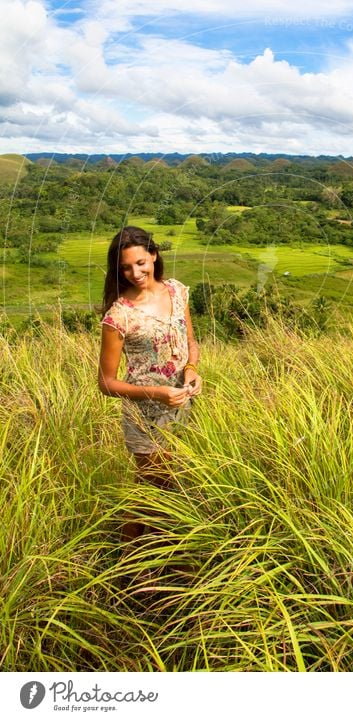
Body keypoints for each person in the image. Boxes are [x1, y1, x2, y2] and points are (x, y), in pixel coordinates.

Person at [98, 226, 202, 540]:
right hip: (145, 416)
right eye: (126, 267)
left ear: (154, 256)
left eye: (141, 263)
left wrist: (193, 369)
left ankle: (150, 552)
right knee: (156, 486)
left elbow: (191, 343)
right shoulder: (119, 317)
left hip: (183, 404)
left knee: (165, 485)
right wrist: (157, 393)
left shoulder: (177, 291)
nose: (135, 272)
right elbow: (106, 383)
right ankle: (132, 557)